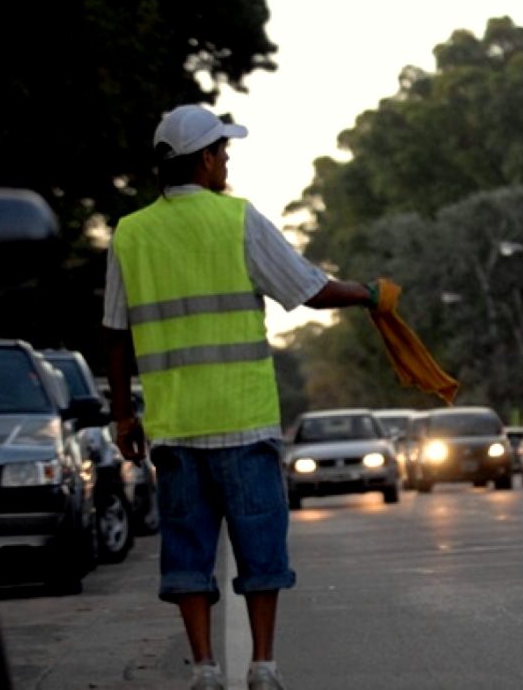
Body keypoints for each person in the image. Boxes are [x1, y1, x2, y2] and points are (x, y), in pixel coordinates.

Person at [103, 104, 381, 690]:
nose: (226, 161)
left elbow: (115, 332)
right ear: (203, 160)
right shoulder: (237, 220)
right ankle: (262, 665)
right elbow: (307, 289)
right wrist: (370, 294)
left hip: (176, 429)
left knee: (187, 553)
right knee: (262, 553)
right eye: (223, 152)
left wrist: (124, 414)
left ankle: (204, 668)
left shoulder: (130, 234)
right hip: (244, 422)